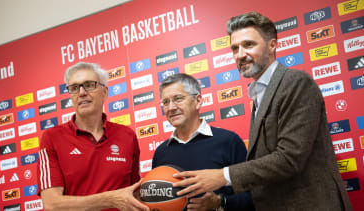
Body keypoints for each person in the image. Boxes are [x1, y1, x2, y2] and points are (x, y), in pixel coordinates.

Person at [172, 12, 353, 210]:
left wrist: (222, 176)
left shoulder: (295, 82)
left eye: (249, 44)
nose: (240, 54)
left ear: (272, 45)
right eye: (235, 48)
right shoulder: (260, 93)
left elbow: (289, 159)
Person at [37, 62, 149, 211]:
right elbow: (52, 205)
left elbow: (134, 195)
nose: (82, 92)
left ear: (105, 92)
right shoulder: (52, 138)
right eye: (74, 88)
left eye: (89, 85)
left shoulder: (127, 136)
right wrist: (110, 200)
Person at [152, 73, 254, 211]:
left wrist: (220, 202)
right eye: (165, 102)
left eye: (178, 99)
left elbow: (254, 196)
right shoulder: (161, 152)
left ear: (198, 101)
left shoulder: (229, 141)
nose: (171, 107)